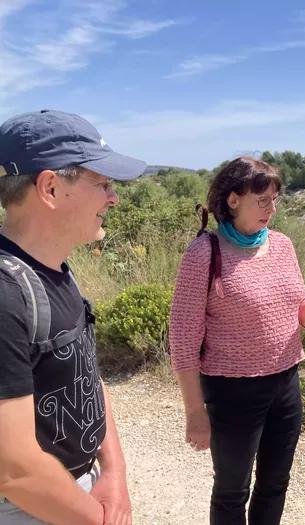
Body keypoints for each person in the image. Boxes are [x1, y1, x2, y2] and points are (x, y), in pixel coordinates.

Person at [168, 156, 305, 525]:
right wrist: (194, 412)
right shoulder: (205, 252)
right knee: (233, 491)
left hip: (285, 385)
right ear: (233, 199)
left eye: (275, 199)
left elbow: (301, 314)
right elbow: (183, 340)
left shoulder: (281, 245)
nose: (272, 208)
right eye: (262, 200)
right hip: (231, 391)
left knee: (275, 483)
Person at [0, 110, 144, 524]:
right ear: (49, 187)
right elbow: (14, 468)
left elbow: (87, 375)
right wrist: (97, 518)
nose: (113, 197)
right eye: (101, 183)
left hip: (78, 488)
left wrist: (113, 473)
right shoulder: (7, 293)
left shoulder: (58, 269)